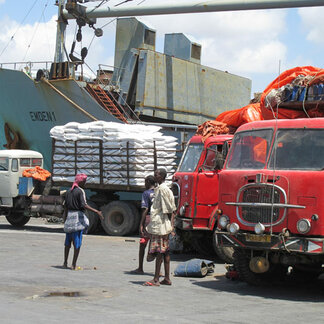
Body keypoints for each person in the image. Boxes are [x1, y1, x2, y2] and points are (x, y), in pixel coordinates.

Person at [63, 173, 103, 270]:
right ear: (80, 182)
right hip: (77, 218)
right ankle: (73, 264)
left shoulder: (69, 191)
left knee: (68, 242)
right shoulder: (80, 191)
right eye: (84, 182)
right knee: (77, 242)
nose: (85, 183)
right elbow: (84, 205)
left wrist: (65, 219)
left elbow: (65, 206)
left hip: (69, 217)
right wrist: (96, 211)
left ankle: (65, 262)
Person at [143, 168, 176, 286]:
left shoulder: (162, 189)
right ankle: (167, 278)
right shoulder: (164, 189)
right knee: (165, 252)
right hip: (163, 224)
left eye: (157, 174)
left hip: (160, 225)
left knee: (159, 252)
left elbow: (168, 209)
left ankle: (156, 279)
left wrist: (170, 224)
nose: (155, 175)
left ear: (162, 176)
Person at [132, 175, 156, 274]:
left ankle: (140, 268)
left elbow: (145, 209)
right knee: (158, 244)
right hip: (158, 220)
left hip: (149, 219)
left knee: (143, 243)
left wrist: (141, 224)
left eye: (145, 182)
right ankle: (158, 271)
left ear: (148, 182)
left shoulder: (146, 193)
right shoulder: (159, 192)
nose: (144, 184)